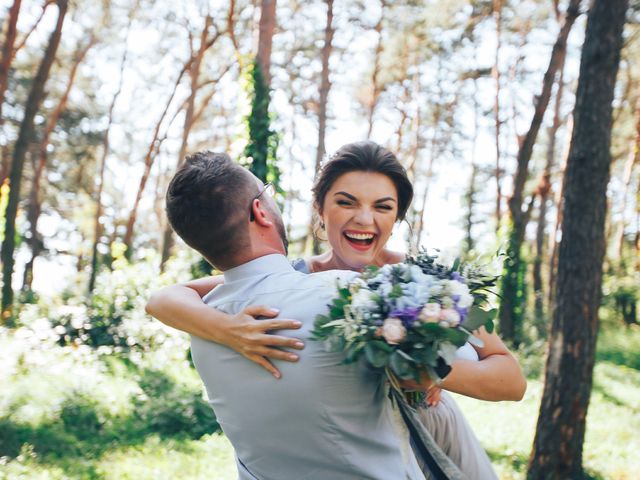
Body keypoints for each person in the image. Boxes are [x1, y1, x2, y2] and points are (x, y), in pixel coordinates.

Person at [149, 142, 527, 478]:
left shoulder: (427, 282)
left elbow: (511, 379)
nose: (364, 219)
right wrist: (227, 329)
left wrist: (427, 371)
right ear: (320, 209)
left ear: (397, 218)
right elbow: (167, 297)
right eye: (346, 202)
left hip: (434, 433)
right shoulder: (295, 278)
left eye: (383, 207)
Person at [163, 150, 428, 479]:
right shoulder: (350, 294)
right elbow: (461, 358)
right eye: (268, 192)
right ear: (259, 211)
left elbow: (165, 297)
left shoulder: (203, 326)